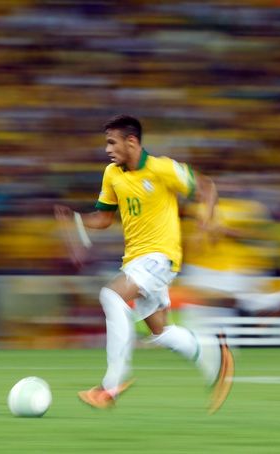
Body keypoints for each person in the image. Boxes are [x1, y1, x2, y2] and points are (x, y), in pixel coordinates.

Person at [54, 115, 234, 414]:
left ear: (132, 141)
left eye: (112, 142)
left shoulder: (162, 168)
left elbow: (205, 186)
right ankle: (217, 358)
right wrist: (76, 219)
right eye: (106, 143)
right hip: (136, 260)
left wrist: (208, 218)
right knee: (161, 332)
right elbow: (104, 218)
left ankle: (111, 386)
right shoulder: (112, 174)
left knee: (111, 296)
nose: (108, 149)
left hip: (160, 257)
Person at [180, 196, 280, 316]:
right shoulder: (193, 211)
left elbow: (260, 236)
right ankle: (253, 302)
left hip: (223, 273)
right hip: (201, 271)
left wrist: (226, 231)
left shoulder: (248, 208)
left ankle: (253, 302)